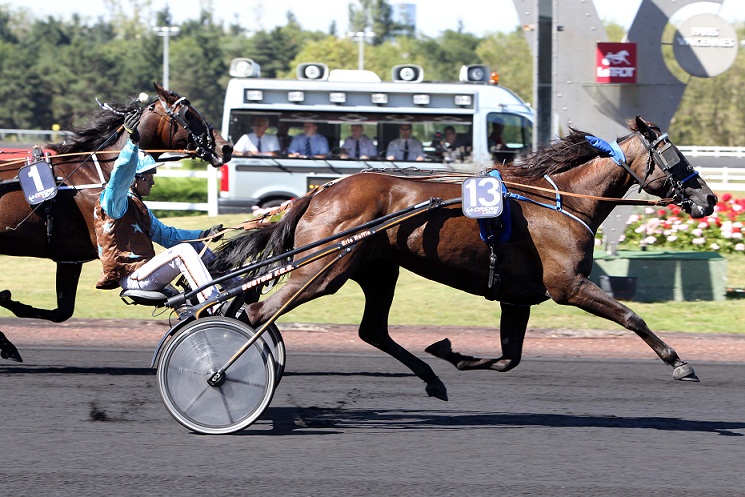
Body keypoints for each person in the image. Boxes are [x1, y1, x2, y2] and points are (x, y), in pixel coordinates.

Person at [93, 109, 224, 306]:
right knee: (184, 252)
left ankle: (235, 287)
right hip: (134, 276)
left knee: (197, 246)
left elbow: (167, 236)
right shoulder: (114, 202)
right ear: (134, 180)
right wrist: (132, 144)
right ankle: (214, 302)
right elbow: (120, 176)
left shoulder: (138, 207)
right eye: (148, 176)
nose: (152, 182)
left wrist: (204, 233)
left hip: (146, 271)